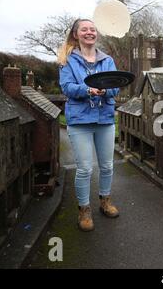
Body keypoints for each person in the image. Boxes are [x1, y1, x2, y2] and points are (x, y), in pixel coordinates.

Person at [58, 19, 120, 232]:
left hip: (105, 120)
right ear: (76, 34)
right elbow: (66, 87)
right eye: (84, 29)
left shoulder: (107, 60)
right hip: (80, 121)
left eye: (93, 29)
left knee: (107, 166)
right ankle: (84, 209)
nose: (89, 32)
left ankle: (105, 201)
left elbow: (116, 86)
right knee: (84, 168)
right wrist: (87, 90)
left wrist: (105, 91)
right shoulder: (68, 59)